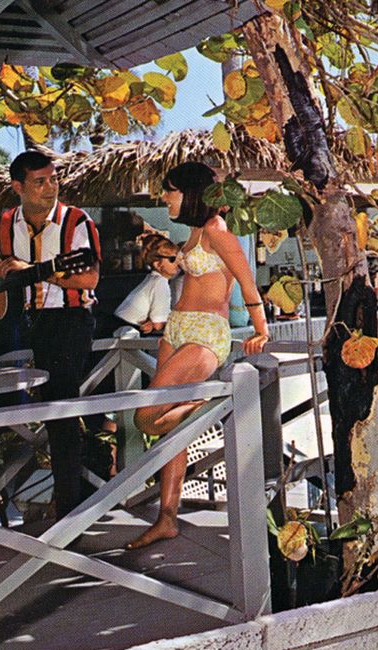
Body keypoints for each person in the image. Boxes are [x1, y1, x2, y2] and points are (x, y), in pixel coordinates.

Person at [128, 162, 269, 549]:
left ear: (188, 193)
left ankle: (208, 403)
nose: (165, 198)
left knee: (147, 416)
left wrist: (261, 329)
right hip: (177, 328)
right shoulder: (191, 233)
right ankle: (166, 517)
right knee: (168, 428)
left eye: (170, 191)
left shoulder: (216, 231)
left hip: (206, 332)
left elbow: (246, 279)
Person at [0, 151, 100, 518]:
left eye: (53, 179)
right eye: (40, 182)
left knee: (60, 410)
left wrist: (38, 271)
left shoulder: (76, 221)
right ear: (17, 187)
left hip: (70, 321)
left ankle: (68, 506)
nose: (50, 187)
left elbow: (89, 278)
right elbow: (6, 272)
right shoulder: (7, 223)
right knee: (10, 411)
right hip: (27, 324)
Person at [113, 233, 179, 335]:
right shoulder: (160, 283)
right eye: (172, 259)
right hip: (126, 332)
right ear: (158, 264)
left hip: (118, 326)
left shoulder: (151, 278)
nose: (177, 263)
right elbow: (158, 324)